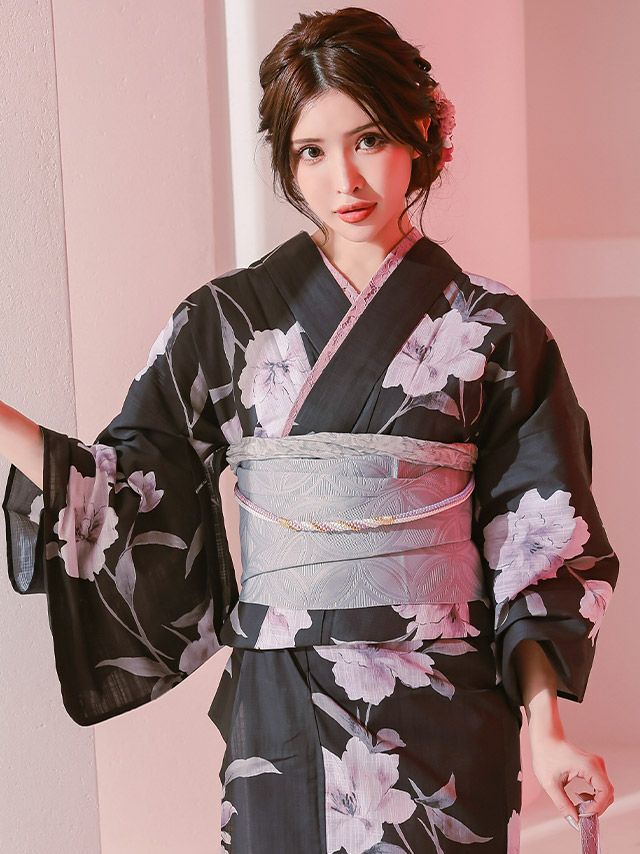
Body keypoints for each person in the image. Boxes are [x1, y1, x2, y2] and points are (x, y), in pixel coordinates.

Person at [1, 7, 618, 853]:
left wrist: (547, 731)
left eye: (369, 139)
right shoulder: (224, 320)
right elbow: (132, 484)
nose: (344, 180)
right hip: (283, 703)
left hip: (449, 702)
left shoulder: (496, 328)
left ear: (422, 132)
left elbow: (539, 538)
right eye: (312, 152)